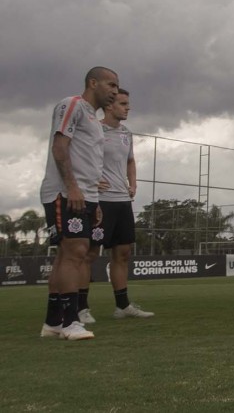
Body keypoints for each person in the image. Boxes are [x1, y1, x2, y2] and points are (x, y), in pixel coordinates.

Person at [39, 66, 120, 340]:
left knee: (68, 254)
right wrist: (72, 187)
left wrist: (93, 200)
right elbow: (59, 147)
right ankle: (71, 322)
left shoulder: (95, 120)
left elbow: (89, 161)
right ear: (92, 82)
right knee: (75, 252)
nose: (114, 91)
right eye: (110, 85)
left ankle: (52, 322)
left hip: (86, 195)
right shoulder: (72, 105)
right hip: (64, 193)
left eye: (117, 87)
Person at [79, 89, 154, 324]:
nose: (128, 108)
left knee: (122, 254)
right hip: (100, 201)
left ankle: (122, 306)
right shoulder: (94, 130)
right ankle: (81, 307)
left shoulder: (126, 134)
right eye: (123, 104)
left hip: (122, 201)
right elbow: (79, 159)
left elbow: (130, 161)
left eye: (128, 104)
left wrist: (133, 183)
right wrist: (91, 180)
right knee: (90, 253)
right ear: (109, 106)